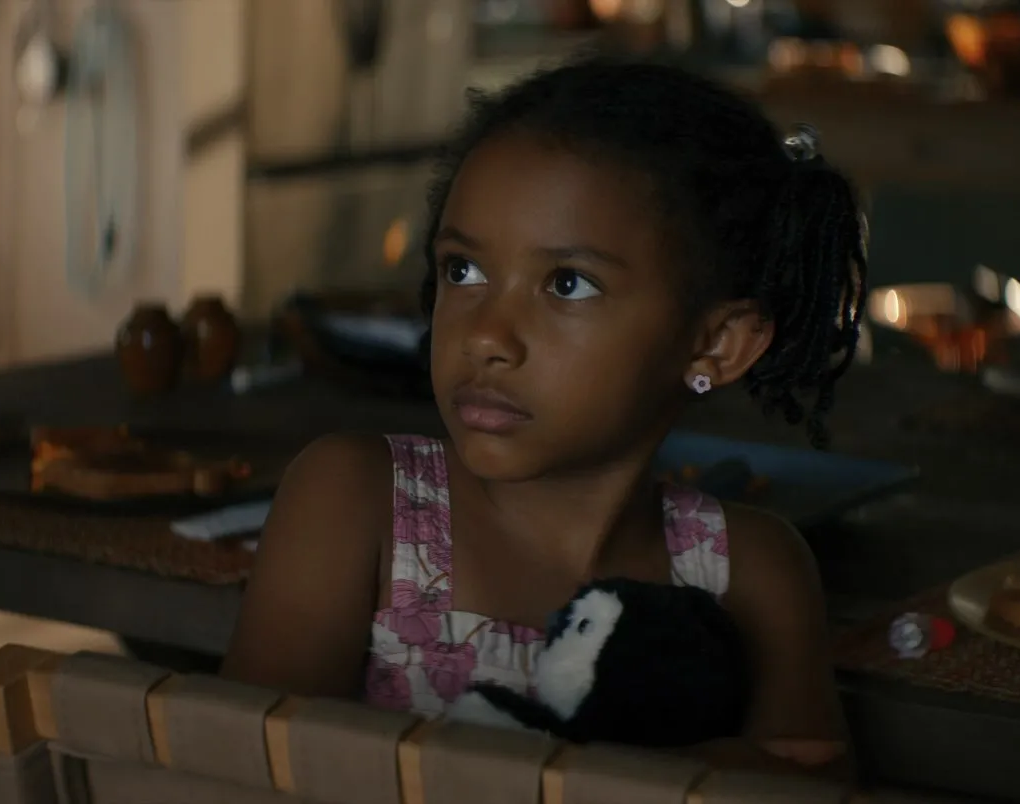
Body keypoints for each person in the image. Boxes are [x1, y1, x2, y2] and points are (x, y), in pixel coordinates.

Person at [222, 55, 867, 768]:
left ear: (716, 343)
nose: (486, 336)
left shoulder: (752, 574)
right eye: (463, 270)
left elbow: (809, 785)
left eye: (567, 284)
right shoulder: (355, 502)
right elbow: (244, 771)